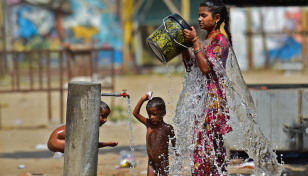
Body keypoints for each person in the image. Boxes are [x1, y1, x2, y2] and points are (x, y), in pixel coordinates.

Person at [179, 0, 232, 175]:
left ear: (216, 18)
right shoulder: (204, 41)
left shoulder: (220, 40)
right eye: (199, 15)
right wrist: (185, 47)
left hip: (213, 101)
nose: (199, 19)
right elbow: (191, 67)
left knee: (211, 145)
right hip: (201, 99)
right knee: (201, 143)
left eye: (204, 15)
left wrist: (194, 41)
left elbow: (205, 68)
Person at [47, 101, 118, 153]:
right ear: (93, 113)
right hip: (56, 141)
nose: (105, 120)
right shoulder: (85, 125)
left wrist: (108, 144)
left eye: (106, 117)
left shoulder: (87, 123)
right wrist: (108, 144)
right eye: (102, 116)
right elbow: (90, 145)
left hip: (58, 141)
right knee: (84, 148)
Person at [133, 94, 176, 176]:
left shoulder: (168, 128)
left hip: (163, 162)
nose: (151, 117)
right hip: (151, 163)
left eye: (154, 114)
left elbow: (174, 143)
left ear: (163, 113)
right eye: (149, 114)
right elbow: (135, 113)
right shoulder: (149, 124)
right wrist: (143, 99)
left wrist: (177, 156)